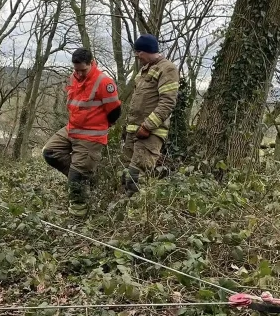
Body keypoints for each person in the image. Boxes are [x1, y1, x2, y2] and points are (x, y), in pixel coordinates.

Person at [42, 48, 121, 216]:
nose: (79, 73)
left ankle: (78, 216)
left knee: (76, 178)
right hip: (72, 129)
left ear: (92, 63)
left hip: (91, 135)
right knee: (50, 152)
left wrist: (100, 126)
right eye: (76, 69)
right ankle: (87, 177)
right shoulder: (73, 77)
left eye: (82, 70)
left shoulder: (104, 82)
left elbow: (115, 111)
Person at [122, 34, 179, 195]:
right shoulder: (143, 71)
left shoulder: (167, 69)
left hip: (149, 133)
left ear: (143, 52)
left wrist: (148, 126)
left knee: (136, 178)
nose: (137, 58)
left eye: (138, 54)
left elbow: (167, 102)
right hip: (133, 132)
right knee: (125, 176)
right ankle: (122, 214)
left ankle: (134, 216)